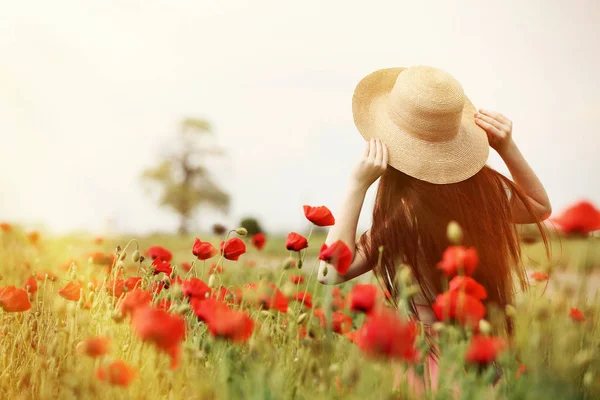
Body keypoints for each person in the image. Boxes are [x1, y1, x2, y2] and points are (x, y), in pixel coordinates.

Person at [317, 66, 551, 390]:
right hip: (480, 349)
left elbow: (330, 273)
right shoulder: (483, 197)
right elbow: (540, 207)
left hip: (429, 361)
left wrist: (357, 186)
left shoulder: (403, 219)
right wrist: (507, 146)